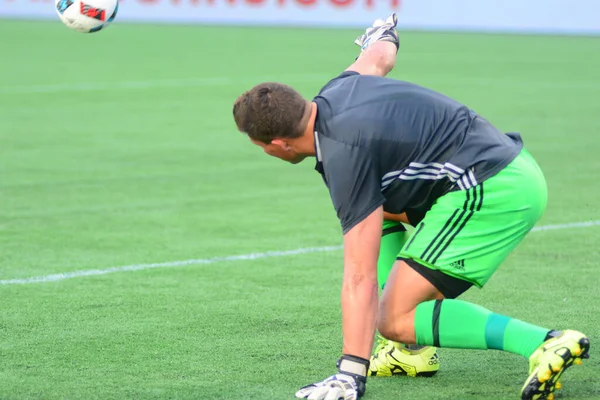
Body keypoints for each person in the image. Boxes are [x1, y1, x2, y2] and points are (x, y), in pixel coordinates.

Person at [231, 14, 590, 400]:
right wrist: (384, 31)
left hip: (493, 188)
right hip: (507, 169)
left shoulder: (344, 157)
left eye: (262, 146)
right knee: (380, 210)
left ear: (277, 144)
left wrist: (351, 372)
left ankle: (545, 342)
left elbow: (359, 277)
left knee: (394, 317)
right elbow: (379, 56)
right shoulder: (338, 89)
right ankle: (411, 354)